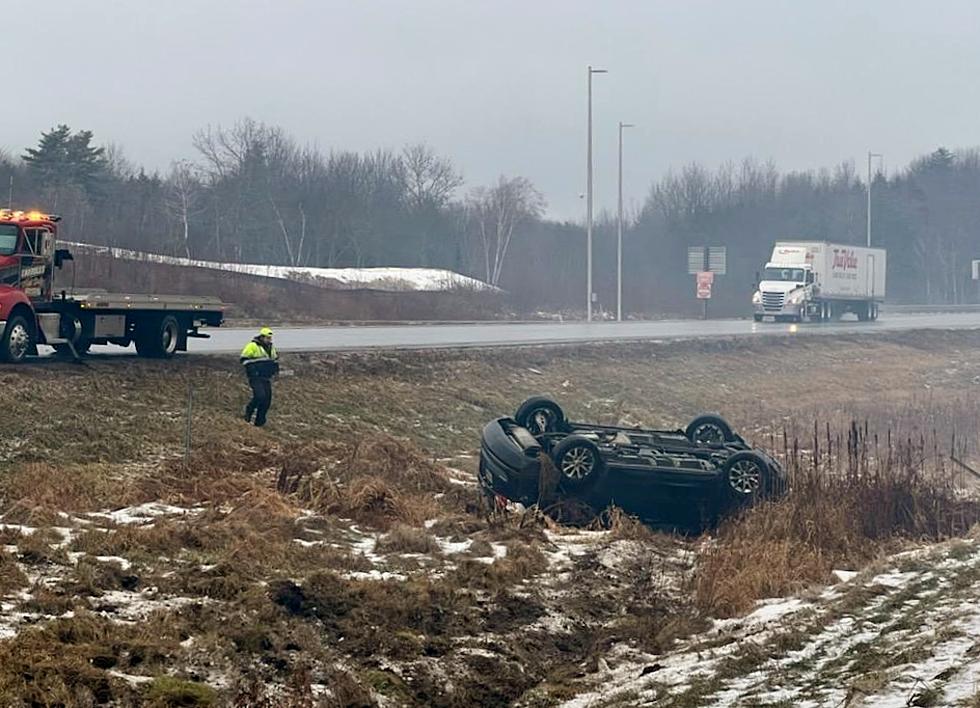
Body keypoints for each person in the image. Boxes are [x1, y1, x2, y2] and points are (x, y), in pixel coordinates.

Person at [240, 327, 279, 427]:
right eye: (267, 338)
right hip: (256, 377)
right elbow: (244, 359)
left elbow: (274, 359)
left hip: (266, 377)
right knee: (259, 396)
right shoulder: (252, 346)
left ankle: (259, 422)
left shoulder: (271, 347)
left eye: (270, 338)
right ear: (262, 337)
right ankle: (248, 412)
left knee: (267, 400)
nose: (269, 340)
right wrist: (253, 371)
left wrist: (275, 370)